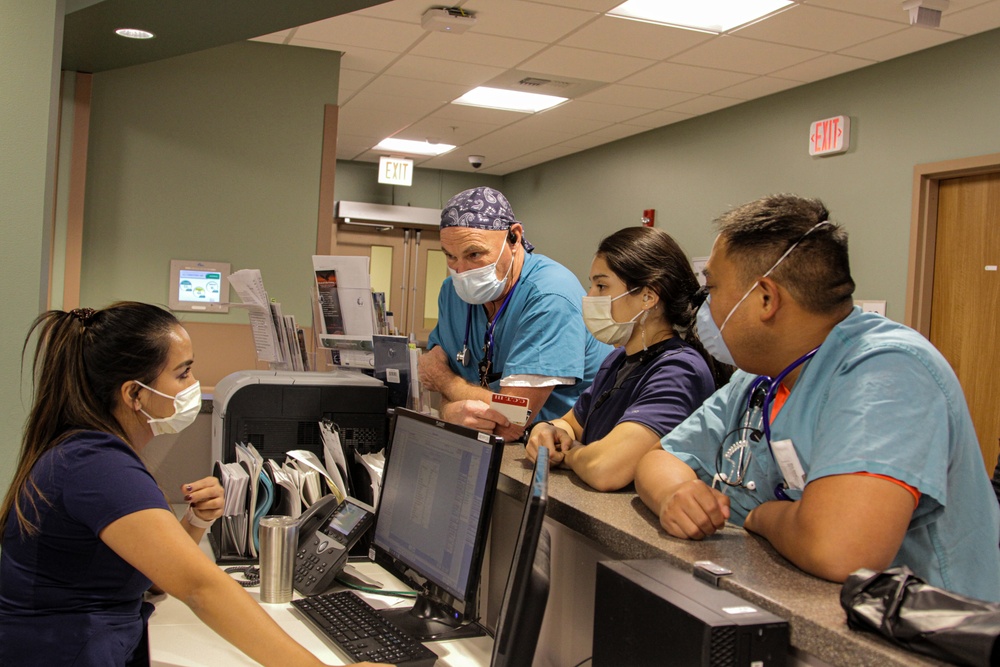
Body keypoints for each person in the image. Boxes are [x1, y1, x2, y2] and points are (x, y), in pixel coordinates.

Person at [634, 194, 1000, 602]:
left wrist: (761, 516)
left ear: (766, 299)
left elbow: (840, 548)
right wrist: (674, 494)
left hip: (916, 642)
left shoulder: (889, 370)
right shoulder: (760, 378)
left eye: (713, 289)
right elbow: (657, 459)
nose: (706, 308)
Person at [0, 302, 379, 666]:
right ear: (134, 393)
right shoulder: (99, 467)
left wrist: (196, 522)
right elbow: (200, 589)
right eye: (183, 373)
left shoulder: (88, 450)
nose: (194, 385)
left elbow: (151, 578)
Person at [525, 226, 726, 491]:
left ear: (647, 296)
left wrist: (571, 454)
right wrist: (548, 430)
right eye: (591, 285)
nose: (589, 297)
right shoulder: (620, 360)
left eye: (601, 285)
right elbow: (571, 424)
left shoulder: (678, 370)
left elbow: (606, 468)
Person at [419, 186, 612, 442]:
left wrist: (446, 383)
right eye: (450, 256)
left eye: (474, 254)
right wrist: (449, 409)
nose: (461, 270)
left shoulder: (549, 295)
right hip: (483, 444)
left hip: (562, 450)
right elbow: (438, 371)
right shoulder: (452, 293)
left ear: (514, 237)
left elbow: (511, 421)